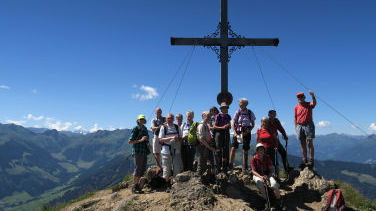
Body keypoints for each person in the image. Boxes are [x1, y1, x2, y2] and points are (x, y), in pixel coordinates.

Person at [251, 143, 282, 209]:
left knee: (274, 184)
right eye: (259, 150)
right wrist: (260, 177)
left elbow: (271, 170)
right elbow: (253, 171)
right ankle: (266, 200)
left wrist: (268, 176)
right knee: (260, 184)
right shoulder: (254, 158)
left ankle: (278, 200)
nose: (261, 151)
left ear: (264, 151)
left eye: (262, 150)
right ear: (257, 151)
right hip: (258, 175)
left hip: (267, 174)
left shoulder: (267, 157)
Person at [229, 98, 256, 171]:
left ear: (245, 104)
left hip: (246, 132)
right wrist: (234, 132)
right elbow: (233, 123)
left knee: (245, 149)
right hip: (238, 132)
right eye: (239, 103)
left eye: (240, 103)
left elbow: (253, 124)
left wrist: (249, 131)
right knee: (233, 148)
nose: (239, 104)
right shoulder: (237, 112)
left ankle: (245, 166)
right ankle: (230, 165)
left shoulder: (250, 112)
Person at [128, 114, 152, 193]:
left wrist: (148, 144)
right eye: (141, 119)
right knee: (137, 169)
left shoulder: (145, 129)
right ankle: (134, 187)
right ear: (138, 121)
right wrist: (141, 140)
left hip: (144, 151)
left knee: (142, 169)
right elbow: (130, 141)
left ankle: (139, 187)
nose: (142, 121)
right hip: (137, 151)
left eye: (143, 120)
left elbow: (147, 139)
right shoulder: (135, 129)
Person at [295, 90, 316, 168]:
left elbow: (314, 104)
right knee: (302, 143)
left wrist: (313, 96)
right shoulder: (296, 107)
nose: (300, 98)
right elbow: (295, 117)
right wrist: (296, 127)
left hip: (308, 124)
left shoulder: (308, 104)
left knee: (309, 142)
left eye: (301, 96)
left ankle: (311, 161)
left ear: (304, 97)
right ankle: (304, 160)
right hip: (300, 125)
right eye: (298, 97)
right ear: (297, 98)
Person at [159, 113, 182, 182]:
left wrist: (177, 138)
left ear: (174, 119)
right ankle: (165, 183)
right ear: (166, 119)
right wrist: (171, 138)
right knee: (166, 167)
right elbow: (160, 139)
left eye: (171, 118)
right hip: (166, 149)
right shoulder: (163, 127)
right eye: (168, 118)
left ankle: (175, 183)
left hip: (176, 149)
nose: (170, 119)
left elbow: (180, 137)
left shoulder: (177, 127)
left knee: (177, 166)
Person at [197, 111, 216, 177]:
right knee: (202, 163)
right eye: (207, 116)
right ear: (203, 116)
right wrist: (209, 147)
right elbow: (201, 139)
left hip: (206, 146)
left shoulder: (206, 125)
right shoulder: (201, 125)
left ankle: (207, 178)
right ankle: (199, 178)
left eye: (209, 116)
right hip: (203, 146)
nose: (209, 117)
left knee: (207, 162)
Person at [214, 102, 231, 172]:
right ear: (221, 109)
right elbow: (214, 126)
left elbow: (229, 126)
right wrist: (222, 127)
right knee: (219, 150)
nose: (225, 109)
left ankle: (225, 167)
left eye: (226, 108)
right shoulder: (218, 116)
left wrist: (228, 126)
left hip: (226, 133)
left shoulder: (228, 116)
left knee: (226, 150)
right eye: (224, 108)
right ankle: (219, 167)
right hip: (219, 133)